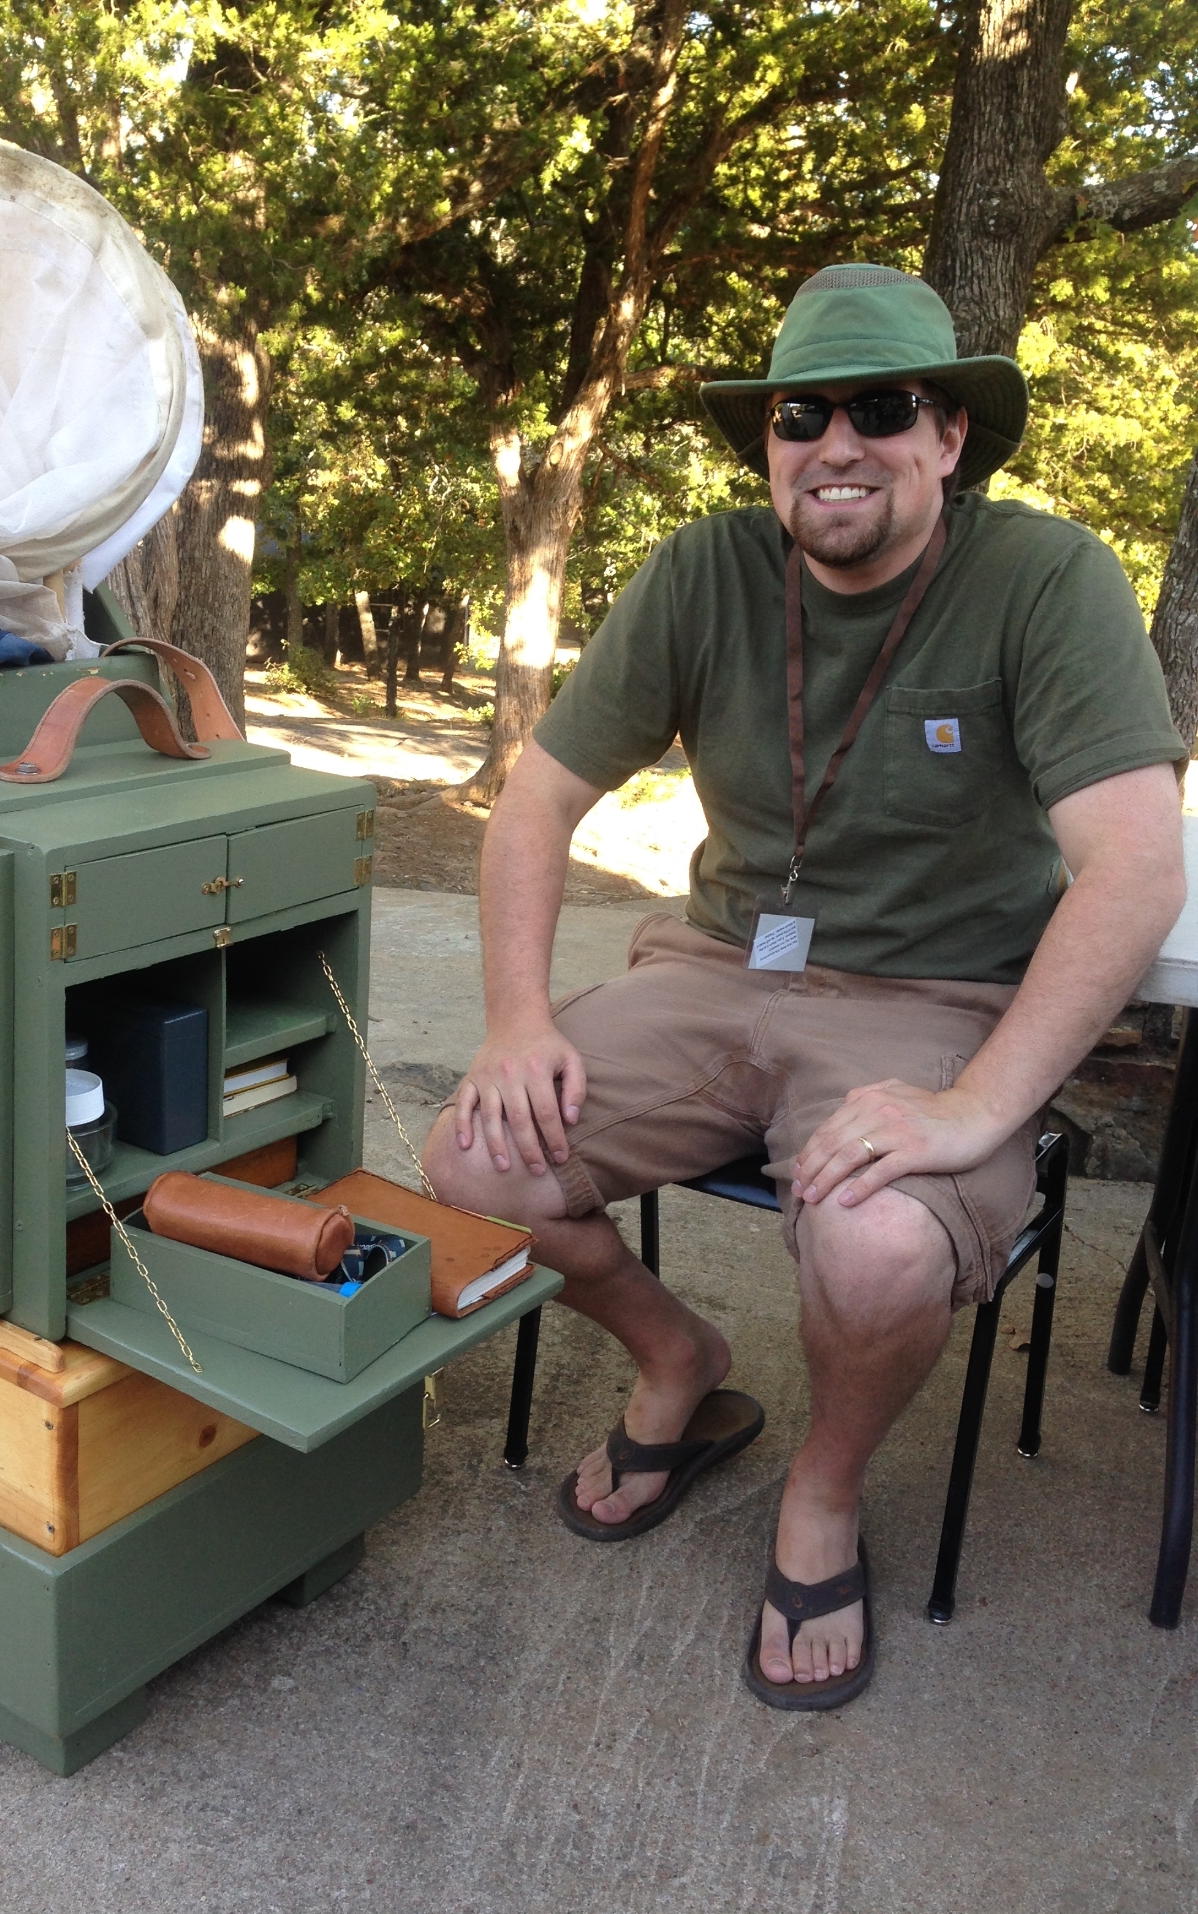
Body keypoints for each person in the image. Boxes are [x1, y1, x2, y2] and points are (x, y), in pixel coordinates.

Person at [422, 263, 1188, 1710]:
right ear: (768, 440)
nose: (837, 443)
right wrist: (516, 1025)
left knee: (883, 1247)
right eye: (799, 414)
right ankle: (679, 1360)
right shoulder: (702, 572)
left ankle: (822, 1494)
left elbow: (1135, 868)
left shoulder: (1044, 576)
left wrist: (977, 1107)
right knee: (470, 1159)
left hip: (940, 996)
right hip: (715, 969)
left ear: (948, 436)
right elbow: (532, 807)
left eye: (882, 408)